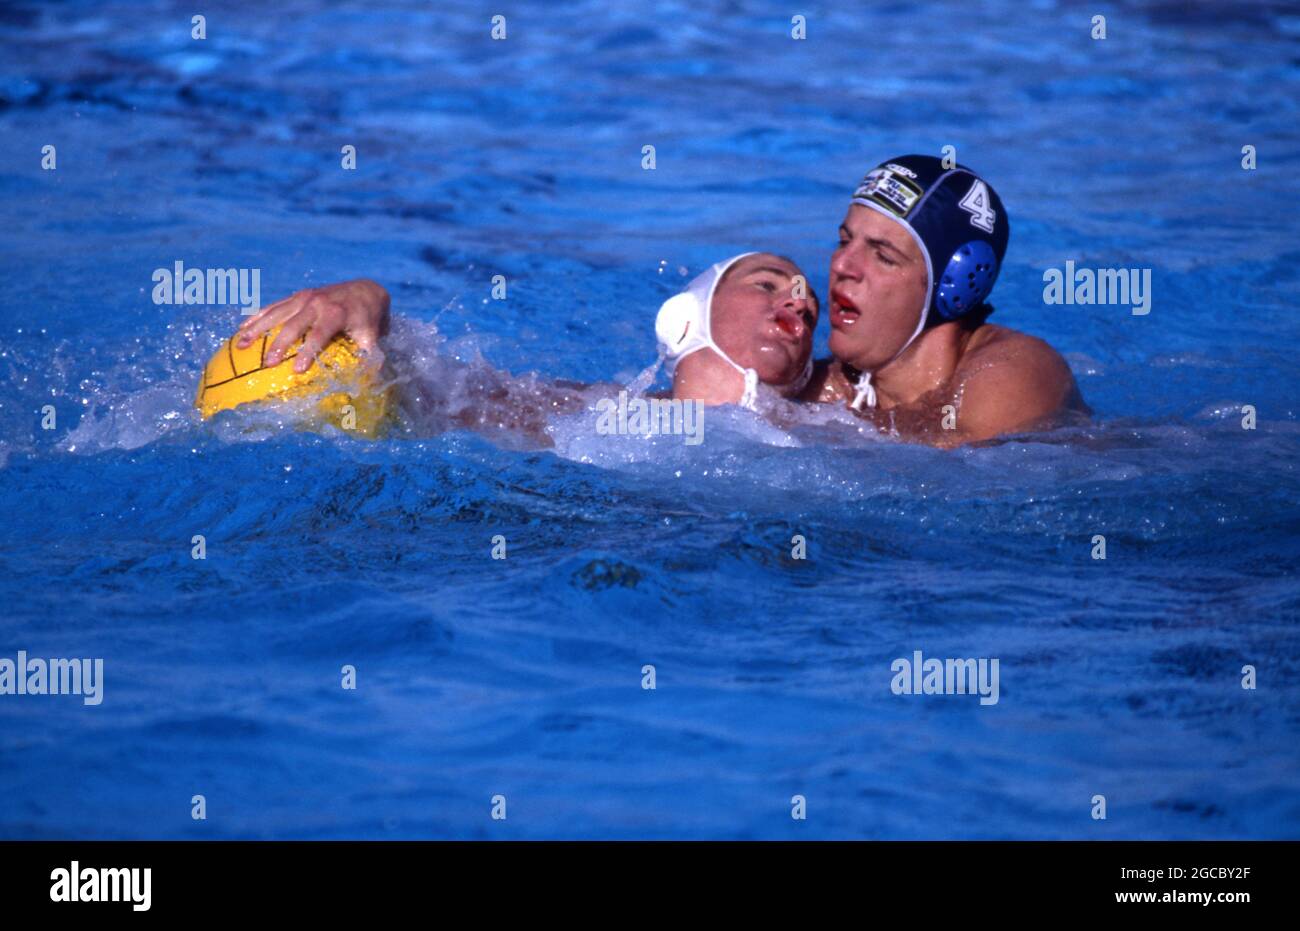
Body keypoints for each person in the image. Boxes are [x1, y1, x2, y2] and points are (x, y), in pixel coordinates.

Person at [802, 155, 1088, 445]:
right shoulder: (835, 386)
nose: (842, 265)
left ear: (955, 284)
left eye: (884, 256)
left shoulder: (1014, 370)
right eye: (844, 241)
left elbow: (963, 478)